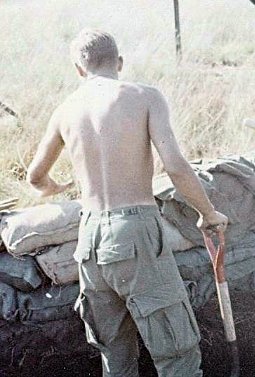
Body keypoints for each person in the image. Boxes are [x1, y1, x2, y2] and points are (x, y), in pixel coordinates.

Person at [27, 28, 228, 377]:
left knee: (115, 359)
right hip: (135, 233)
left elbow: (34, 177)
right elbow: (176, 167)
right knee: (176, 354)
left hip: (89, 239)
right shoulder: (143, 96)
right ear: (119, 62)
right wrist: (208, 213)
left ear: (79, 69)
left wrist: (52, 187)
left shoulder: (65, 110)